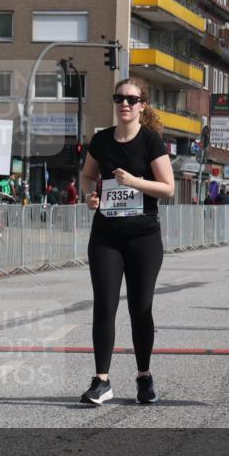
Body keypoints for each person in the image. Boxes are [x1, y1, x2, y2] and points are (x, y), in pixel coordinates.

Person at [79, 78, 174, 406]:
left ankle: (144, 377)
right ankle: (101, 380)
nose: (125, 104)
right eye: (119, 97)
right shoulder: (102, 140)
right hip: (106, 235)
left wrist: (135, 181)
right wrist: (89, 197)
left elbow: (168, 188)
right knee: (105, 305)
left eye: (132, 99)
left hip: (143, 237)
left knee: (140, 307)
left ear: (142, 105)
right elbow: (88, 176)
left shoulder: (150, 141)